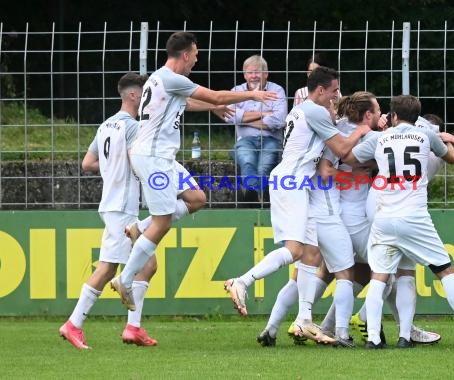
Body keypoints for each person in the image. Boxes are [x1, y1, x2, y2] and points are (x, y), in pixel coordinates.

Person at [110, 31, 278, 311]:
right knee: (162, 223)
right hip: (152, 157)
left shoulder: (160, 78)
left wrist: (215, 108)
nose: (196, 61)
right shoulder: (173, 78)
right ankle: (125, 279)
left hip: (163, 156)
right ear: (185, 54)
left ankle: (138, 227)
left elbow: (189, 102)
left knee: (197, 198)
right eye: (196, 56)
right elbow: (211, 95)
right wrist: (251, 94)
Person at [224, 67, 371, 342]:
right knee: (294, 251)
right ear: (320, 90)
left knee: (308, 255)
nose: (335, 96)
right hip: (290, 182)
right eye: (333, 91)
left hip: (298, 185)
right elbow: (341, 149)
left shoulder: (303, 111)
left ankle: (303, 319)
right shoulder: (314, 109)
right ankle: (241, 281)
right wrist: (362, 128)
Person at [344, 94, 454, 349]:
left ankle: (373, 338)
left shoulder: (380, 138)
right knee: (445, 270)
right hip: (414, 217)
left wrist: (380, 161)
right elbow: (449, 157)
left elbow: (350, 159)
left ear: (393, 116)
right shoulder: (425, 136)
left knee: (378, 278)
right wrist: (445, 141)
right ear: (416, 117)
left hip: (384, 217)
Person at [59, 72, 159, 349]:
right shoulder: (133, 127)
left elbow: (88, 163)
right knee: (109, 268)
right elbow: (137, 159)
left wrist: (113, 168)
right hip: (123, 206)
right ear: (132, 95)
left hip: (112, 203)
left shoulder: (106, 125)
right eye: (144, 94)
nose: (147, 100)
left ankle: (133, 327)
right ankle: (74, 324)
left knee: (147, 264)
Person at [216, 55, 287, 206]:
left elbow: (279, 121)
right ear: (244, 75)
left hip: (271, 140)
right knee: (247, 161)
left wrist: (244, 121)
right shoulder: (236, 91)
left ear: (266, 74)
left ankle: (250, 200)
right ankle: (256, 200)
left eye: (258, 72)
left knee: (264, 166)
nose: (254, 76)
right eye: (250, 73)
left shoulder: (277, 90)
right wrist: (263, 115)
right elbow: (229, 117)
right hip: (245, 141)